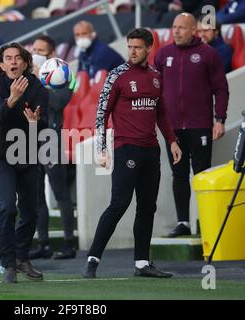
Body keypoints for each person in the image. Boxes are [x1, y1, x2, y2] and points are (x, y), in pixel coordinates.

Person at [83, 28, 182, 279]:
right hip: (126, 148)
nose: (133, 51)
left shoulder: (156, 76)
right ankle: (93, 259)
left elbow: (161, 113)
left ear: (150, 48)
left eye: (138, 47)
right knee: (119, 204)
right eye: (130, 47)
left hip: (151, 150)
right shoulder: (117, 75)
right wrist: (101, 149)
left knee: (147, 207)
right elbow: (101, 114)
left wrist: (172, 141)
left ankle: (141, 263)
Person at [154, 13, 229, 237]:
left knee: (201, 174)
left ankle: (204, 221)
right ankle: (184, 222)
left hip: (200, 126)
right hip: (172, 128)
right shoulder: (163, 54)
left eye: (182, 28)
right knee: (178, 175)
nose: (176, 31)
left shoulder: (208, 54)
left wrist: (220, 119)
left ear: (194, 30)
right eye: (174, 27)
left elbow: (221, 88)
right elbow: (155, 88)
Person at [0, 43, 49, 283]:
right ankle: (9, 264)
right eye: (8, 59)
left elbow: (45, 125)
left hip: (27, 155)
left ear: (25, 63)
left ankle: (23, 257)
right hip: (1, 156)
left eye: (17, 58)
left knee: (30, 211)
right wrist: (12, 99)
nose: (13, 62)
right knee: (7, 208)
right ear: (1, 65)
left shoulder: (39, 89)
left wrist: (35, 124)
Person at [29, 35, 76, 260]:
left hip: (51, 137)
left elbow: (58, 102)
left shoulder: (66, 73)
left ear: (51, 52)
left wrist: (40, 78)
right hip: (29, 137)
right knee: (36, 193)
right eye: (34, 49)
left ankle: (69, 243)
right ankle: (43, 242)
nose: (36, 52)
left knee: (60, 192)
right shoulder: (28, 73)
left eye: (41, 50)